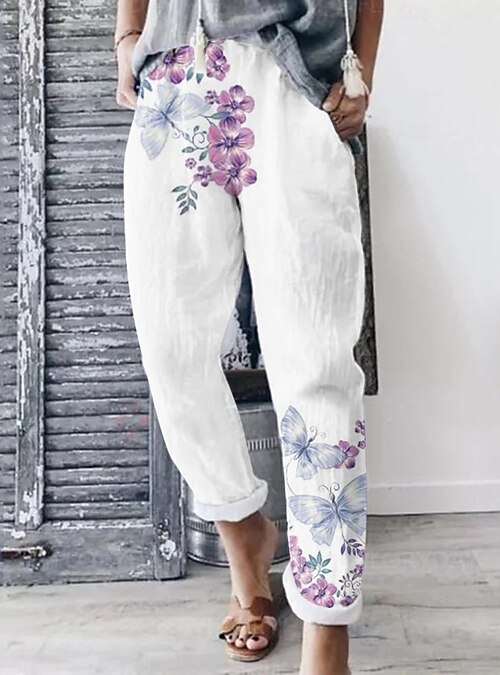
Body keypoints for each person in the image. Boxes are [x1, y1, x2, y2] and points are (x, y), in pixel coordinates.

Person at [115, 1, 383, 672]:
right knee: (172, 348)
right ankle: (245, 537)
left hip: (294, 76)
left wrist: (361, 69)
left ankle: (327, 625)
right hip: (175, 77)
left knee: (316, 363)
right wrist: (127, 36)